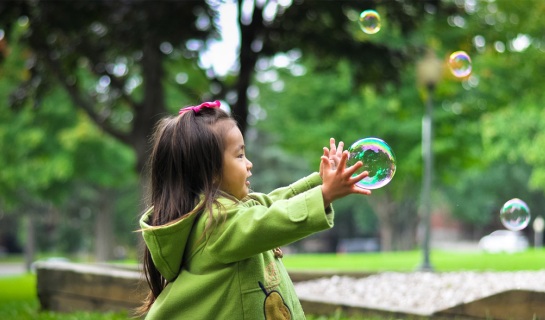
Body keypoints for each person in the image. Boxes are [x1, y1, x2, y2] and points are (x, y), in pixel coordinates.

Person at [137, 100, 371, 319]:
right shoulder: (216, 225)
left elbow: (272, 203)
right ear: (211, 172)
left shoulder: (228, 212)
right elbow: (269, 220)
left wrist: (320, 182)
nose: (249, 164)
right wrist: (325, 195)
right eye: (239, 156)